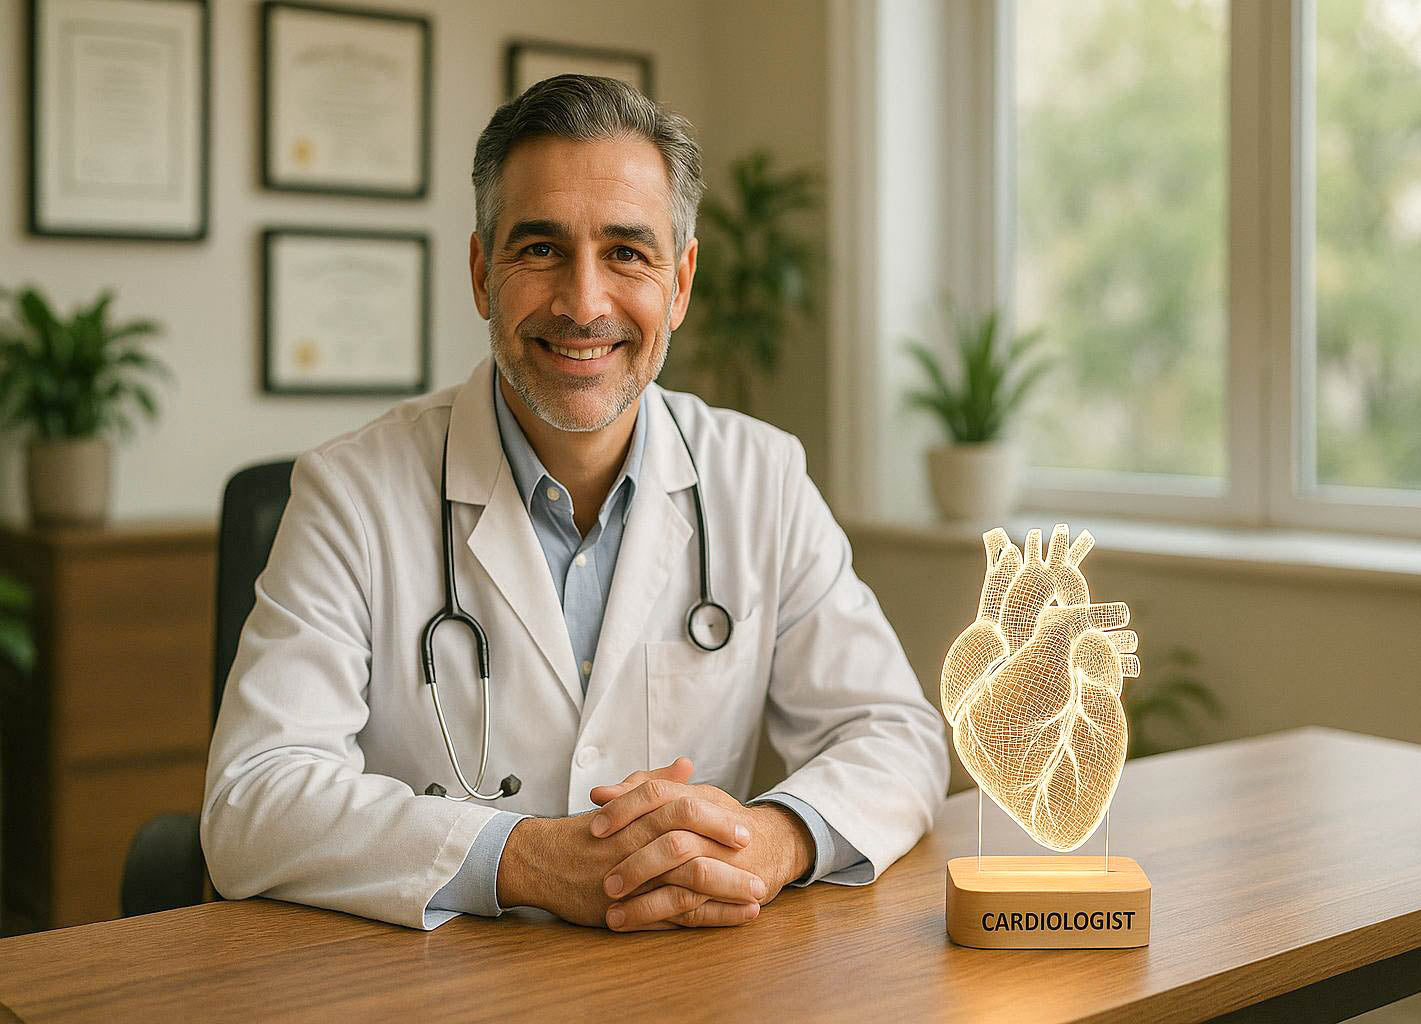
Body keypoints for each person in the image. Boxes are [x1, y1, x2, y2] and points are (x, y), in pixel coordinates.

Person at [201, 74, 949, 932]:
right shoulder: (351, 493)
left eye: (628, 251)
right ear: (484, 274)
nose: (584, 302)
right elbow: (251, 801)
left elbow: (895, 734)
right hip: (430, 986)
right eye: (541, 249)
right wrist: (526, 860)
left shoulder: (762, 477)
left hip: (682, 980)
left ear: (681, 282)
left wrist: (768, 839)